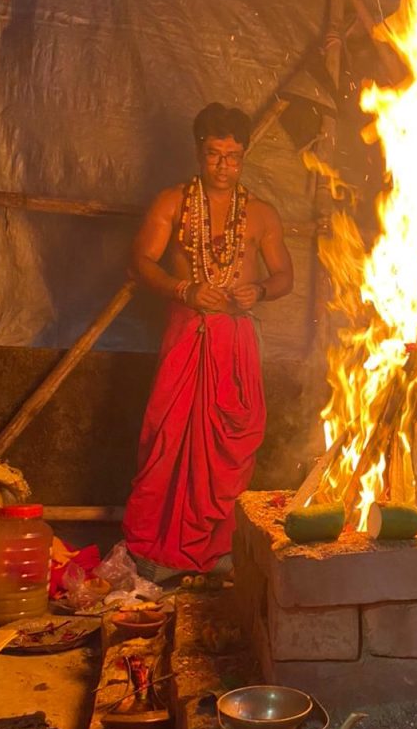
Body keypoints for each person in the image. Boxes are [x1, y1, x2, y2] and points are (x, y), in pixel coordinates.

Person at [122, 103, 293, 579]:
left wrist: (256, 290)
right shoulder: (172, 202)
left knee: (231, 447)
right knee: (167, 438)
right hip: (187, 333)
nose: (224, 166)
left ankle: (218, 551)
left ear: (244, 157)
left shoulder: (259, 213)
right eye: (215, 154)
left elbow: (284, 277)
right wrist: (185, 289)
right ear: (200, 152)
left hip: (236, 340)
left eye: (233, 156)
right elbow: (142, 260)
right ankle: (155, 554)